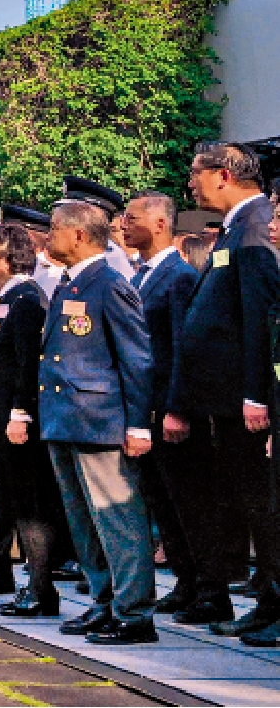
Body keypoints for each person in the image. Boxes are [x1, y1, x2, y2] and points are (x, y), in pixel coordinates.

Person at [164, 142, 280, 643]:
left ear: (226, 175)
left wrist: (256, 392)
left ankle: (273, 603)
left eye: (197, 172)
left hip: (245, 397)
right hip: (227, 395)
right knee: (252, 501)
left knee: (262, 502)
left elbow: (261, 315)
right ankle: (268, 601)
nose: (191, 182)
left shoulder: (255, 224)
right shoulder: (239, 224)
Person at [36, 198, 158, 645]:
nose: (49, 237)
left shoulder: (109, 284)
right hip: (67, 418)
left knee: (117, 518)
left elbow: (136, 359)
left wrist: (138, 424)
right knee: (84, 520)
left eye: (54, 229)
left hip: (100, 420)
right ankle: (104, 602)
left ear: (79, 235)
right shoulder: (71, 284)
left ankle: (135, 612)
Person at [0, 222, 70, 618]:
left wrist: (20, 412)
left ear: (8, 256)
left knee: (28, 503)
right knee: (3, 495)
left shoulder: (26, 298)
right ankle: (24, 582)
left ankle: (40, 587)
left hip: (14, 419)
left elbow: (27, 364)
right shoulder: (5, 297)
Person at [123, 191, 205, 619]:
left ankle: (209, 590)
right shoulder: (140, 275)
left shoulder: (178, 276)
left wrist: (178, 408)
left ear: (159, 224)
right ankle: (185, 580)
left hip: (166, 409)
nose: (123, 224)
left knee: (185, 502)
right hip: (144, 408)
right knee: (160, 500)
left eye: (132, 217)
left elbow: (180, 347)